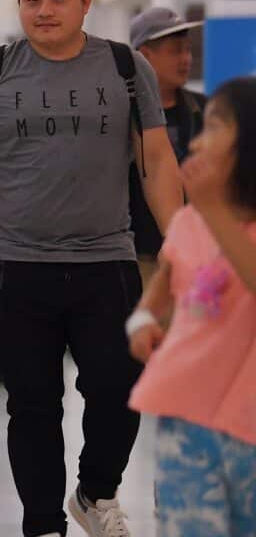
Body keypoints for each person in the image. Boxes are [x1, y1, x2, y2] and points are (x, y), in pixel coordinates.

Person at [0, 0, 184, 537]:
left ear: (86, 2)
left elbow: (156, 158)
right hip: (13, 265)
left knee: (118, 386)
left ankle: (95, 493)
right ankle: (43, 522)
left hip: (107, 260)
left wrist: (181, 242)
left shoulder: (127, 68)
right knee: (33, 405)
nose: (44, 10)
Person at [125, 76, 256, 537]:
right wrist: (141, 321)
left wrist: (214, 210)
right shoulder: (187, 222)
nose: (198, 142)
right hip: (187, 419)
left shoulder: (212, 216)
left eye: (216, 127)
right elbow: (161, 286)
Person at [127, 7, 207, 288]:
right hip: (139, 261)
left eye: (188, 50)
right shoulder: (121, 118)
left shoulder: (207, 112)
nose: (186, 59)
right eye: (175, 51)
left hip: (200, 259)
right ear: (144, 57)